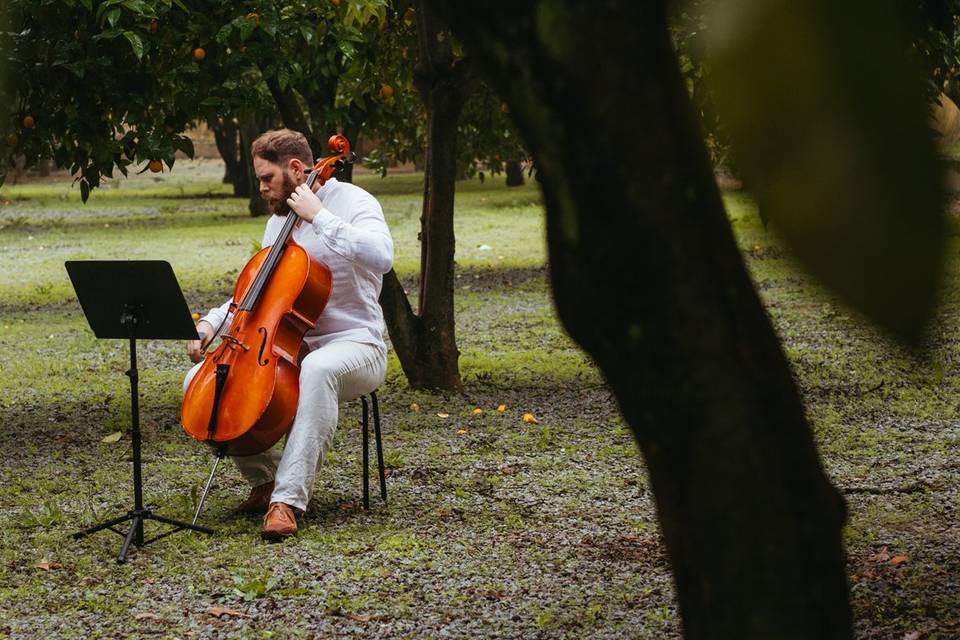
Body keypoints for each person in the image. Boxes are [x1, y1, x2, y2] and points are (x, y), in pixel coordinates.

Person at [182, 129, 393, 541]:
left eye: (267, 179)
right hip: (287, 348)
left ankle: (288, 500)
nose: (261, 188)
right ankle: (266, 481)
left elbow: (382, 257)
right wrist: (210, 322)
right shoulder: (277, 224)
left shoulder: (355, 203)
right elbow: (258, 295)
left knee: (318, 369)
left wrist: (320, 217)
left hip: (357, 344)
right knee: (202, 382)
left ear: (296, 169)